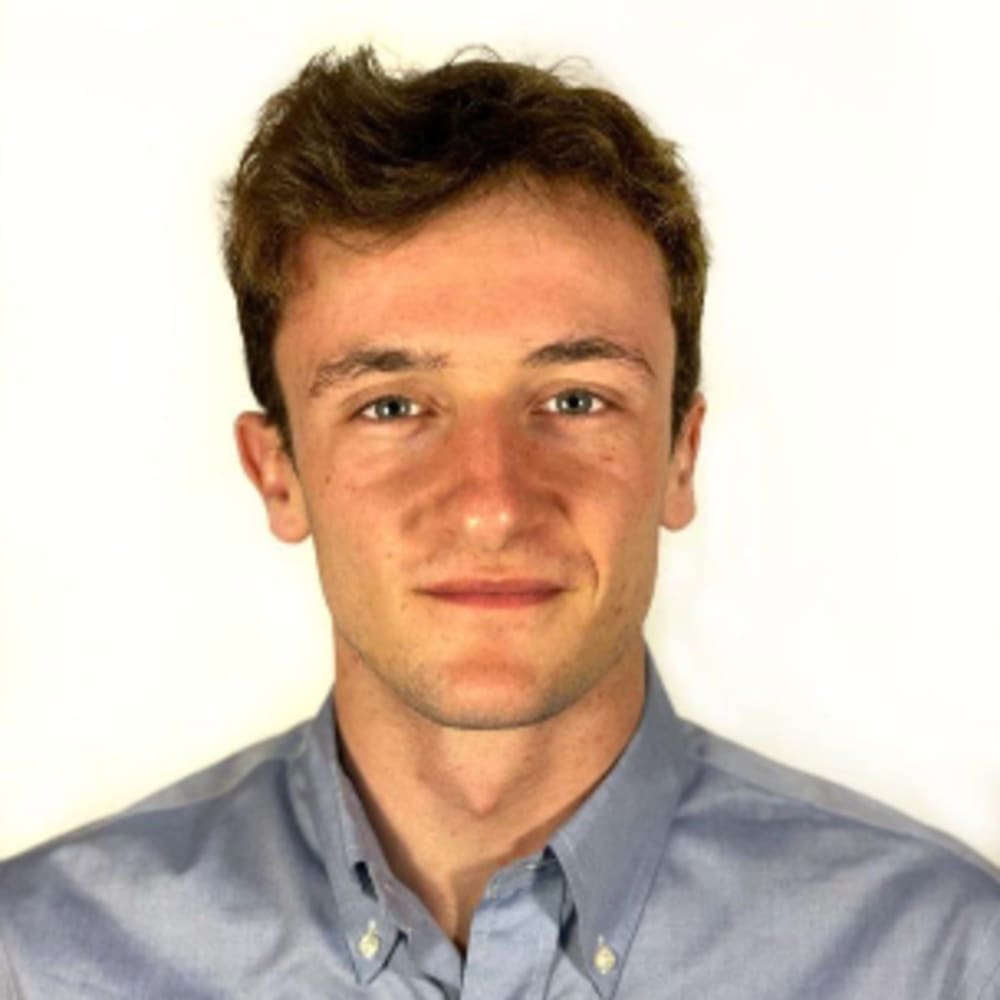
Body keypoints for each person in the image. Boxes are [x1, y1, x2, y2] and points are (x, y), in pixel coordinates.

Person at [1, 45, 997, 1000]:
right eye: (392, 406)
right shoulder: (38, 962)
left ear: (680, 457)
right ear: (278, 475)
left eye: (574, 399)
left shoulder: (942, 961)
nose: (491, 504)